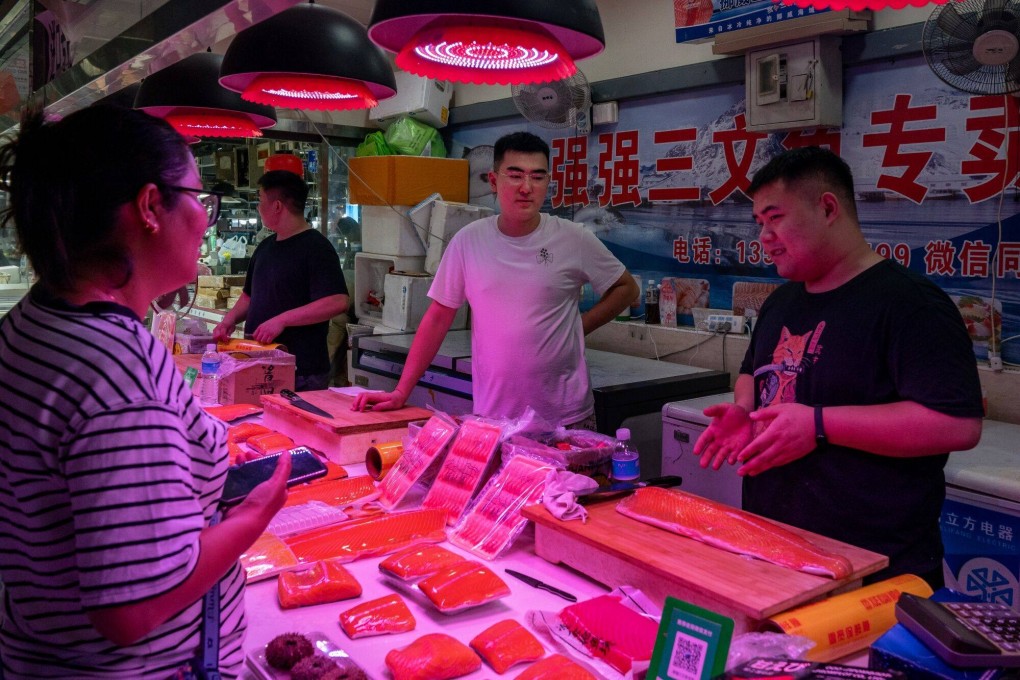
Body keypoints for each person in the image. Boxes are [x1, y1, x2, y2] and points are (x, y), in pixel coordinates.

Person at [0, 104, 291, 678]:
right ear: (150, 207)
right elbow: (130, 609)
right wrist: (254, 515)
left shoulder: (32, 321)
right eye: (198, 198)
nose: (206, 219)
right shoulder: (118, 370)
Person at [693, 146, 983, 587]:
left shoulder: (910, 304)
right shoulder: (782, 301)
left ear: (828, 208)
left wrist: (819, 425)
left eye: (775, 218)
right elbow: (755, 372)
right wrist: (744, 411)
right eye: (759, 223)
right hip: (775, 550)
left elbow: (956, 425)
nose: (764, 236)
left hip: (875, 569)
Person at [352, 131, 640, 427]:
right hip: (495, 418)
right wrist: (401, 391)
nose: (526, 187)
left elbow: (626, 288)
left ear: (548, 183)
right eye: (515, 175)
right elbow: (438, 317)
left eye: (537, 177)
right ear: (493, 181)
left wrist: (580, 327)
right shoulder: (468, 241)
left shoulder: (573, 238)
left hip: (565, 419)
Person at [213, 169, 349, 391]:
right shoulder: (265, 247)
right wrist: (229, 320)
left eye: (260, 200)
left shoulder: (317, 248)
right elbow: (249, 297)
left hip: (301, 371)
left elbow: (337, 301)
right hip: (259, 364)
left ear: (276, 206)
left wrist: (282, 320)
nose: (258, 207)